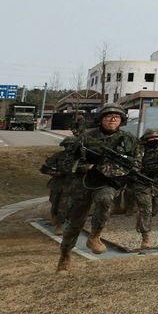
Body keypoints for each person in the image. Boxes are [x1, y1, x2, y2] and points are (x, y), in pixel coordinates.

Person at [55, 105, 138, 274]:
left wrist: (116, 171)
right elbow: (67, 161)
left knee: (105, 199)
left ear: (122, 120)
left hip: (108, 182)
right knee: (74, 223)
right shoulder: (86, 137)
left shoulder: (128, 139)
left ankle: (95, 236)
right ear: (101, 119)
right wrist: (87, 166)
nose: (113, 119)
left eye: (117, 116)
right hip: (83, 183)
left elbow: (136, 163)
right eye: (109, 116)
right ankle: (65, 256)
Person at [133, 128, 158, 249]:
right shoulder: (140, 149)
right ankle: (146, 238)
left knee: (154, 209)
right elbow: (135, 165)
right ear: (146, 139)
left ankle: (141, 219)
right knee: (146, 209)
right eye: (151, 138)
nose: (154, 140)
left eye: (157, 138)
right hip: (142, 183)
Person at [39, 136, 80, 234]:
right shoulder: (57, 156)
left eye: (72, 145)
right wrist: (55, 173)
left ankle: (59, 226)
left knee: (64, 206)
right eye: (67, 145)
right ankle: (54, 218)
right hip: (57, 184)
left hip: (71, 185)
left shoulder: (79, 158)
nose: (69, 147)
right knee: (54, 202)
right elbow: (44, 169)